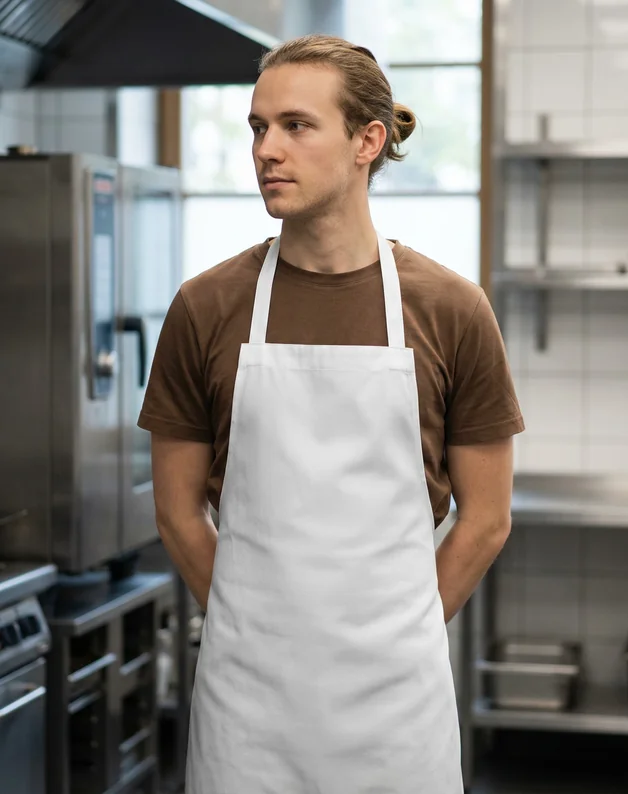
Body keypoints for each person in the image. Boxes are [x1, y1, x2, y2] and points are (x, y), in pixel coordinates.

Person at [139, 34, 524, 794]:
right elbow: (178, 513)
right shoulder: (206, 307)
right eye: (257, 128)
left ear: (366, 141)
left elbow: (486, 519)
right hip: (247, 711)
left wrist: (398, 636)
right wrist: (258, 632)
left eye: (296, 125)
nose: (266, 151)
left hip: (394, 715)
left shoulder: (450, 309)